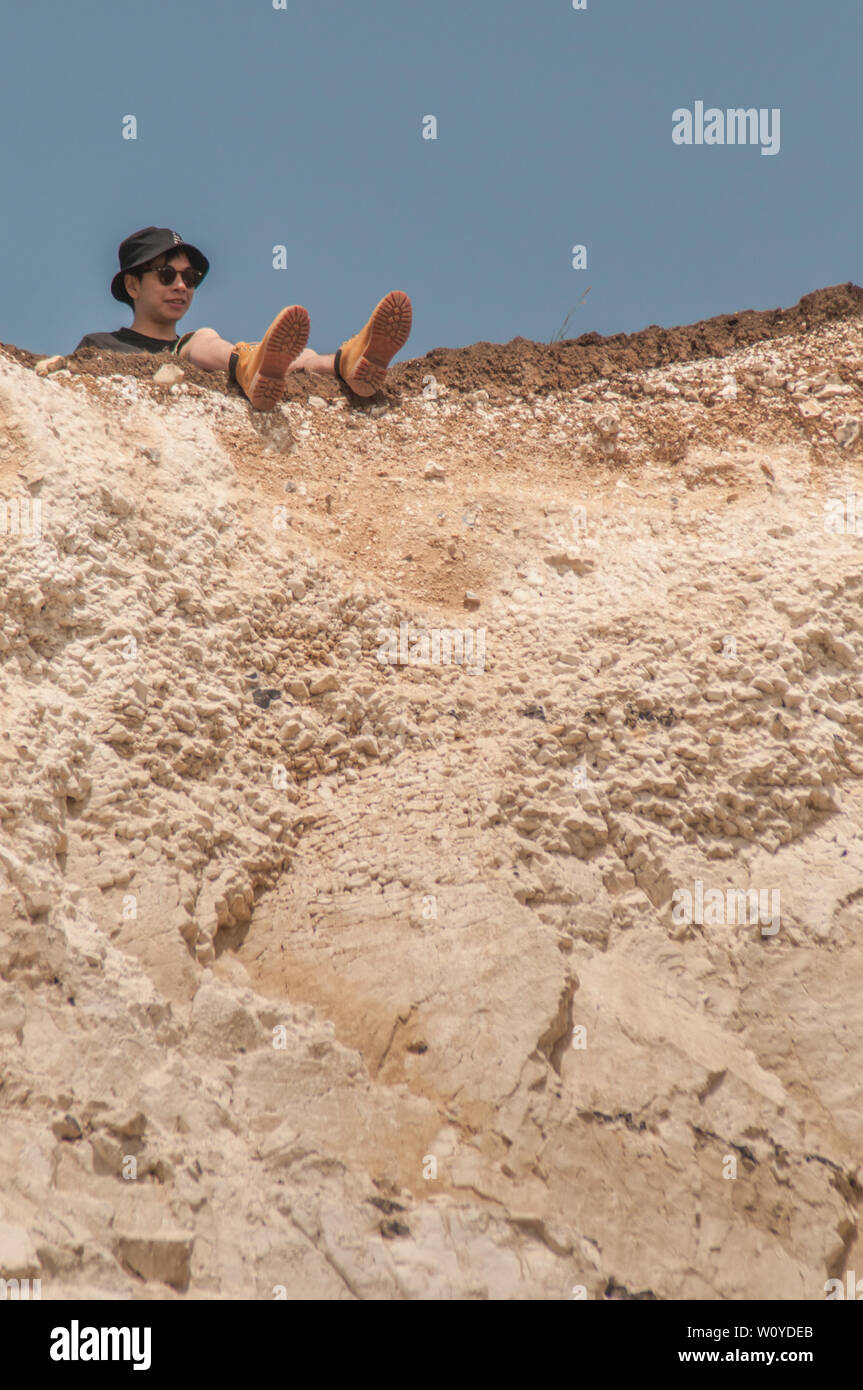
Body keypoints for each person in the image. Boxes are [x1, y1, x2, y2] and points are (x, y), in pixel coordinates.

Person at [73, 226, 412, 410]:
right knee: (201, 339)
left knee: (298, 359)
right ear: (132, 285)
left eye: (190, 279)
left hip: (217, 359)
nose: (180, 286)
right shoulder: (100, 347)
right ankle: (247, 365)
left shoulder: (195, 346)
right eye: (165, 275)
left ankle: (347, 362)